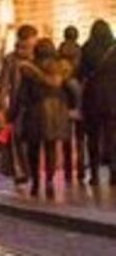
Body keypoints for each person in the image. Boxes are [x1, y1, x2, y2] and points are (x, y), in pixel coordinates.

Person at [10, 39, 73, 198]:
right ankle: (50, 180)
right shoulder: (61, 70)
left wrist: (13, 113)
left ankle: (36, 181)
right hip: (57, 112)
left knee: (34, 148)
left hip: (35, 112)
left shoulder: (29, 70)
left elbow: (22, 95)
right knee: (51, 147)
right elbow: (70, 91)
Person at [0, 24, 38, 186]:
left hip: (25, 103)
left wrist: (2, 101)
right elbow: (5, 83)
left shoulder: (31, 57)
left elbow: (4, 83)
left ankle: (23, 170)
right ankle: (23, 170)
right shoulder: (16, 59)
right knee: (20, 138)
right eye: (33, 39)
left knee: (24, 139)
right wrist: (2, 103)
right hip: (22, 104)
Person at [80, 19, 114, 185]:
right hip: (113, 99)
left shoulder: (87, 48)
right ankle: (114, 173)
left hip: (92, 98)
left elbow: (81, 72)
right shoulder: (113, 48)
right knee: (112, 137)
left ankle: (94, 174)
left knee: (92, 137)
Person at [58, 26, 84, 183]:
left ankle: (68, 172)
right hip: (78, 101)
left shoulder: (58, 51)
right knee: (80, 139)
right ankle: (80, 171)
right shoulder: (81, 51)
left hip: (63, 101)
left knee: (66, 140)